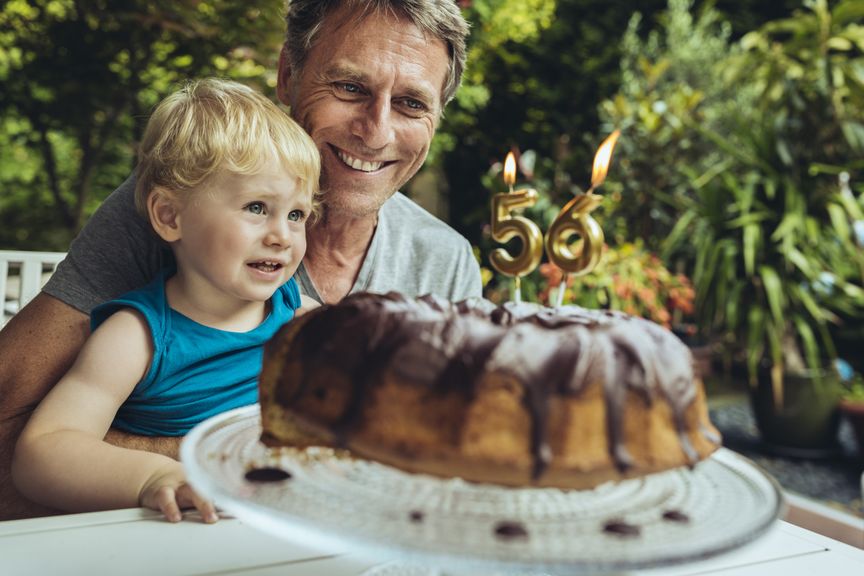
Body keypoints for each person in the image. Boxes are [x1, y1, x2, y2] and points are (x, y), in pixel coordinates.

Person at [0, 0, 481, 520]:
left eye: (412, 103)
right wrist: (212, 465)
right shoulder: (181, 212)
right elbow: (15, 428)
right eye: (350, 88)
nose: (377, 131)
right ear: (287, 75)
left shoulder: (443, 261)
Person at [11, 78, 321, 522]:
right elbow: (42, 451)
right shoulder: (138, 336)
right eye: (256, 207)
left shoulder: (301, 318)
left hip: (276, 529)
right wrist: (154, 477)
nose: (281, 236)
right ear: (170, 216)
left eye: (296, 214)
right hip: (173, 535)